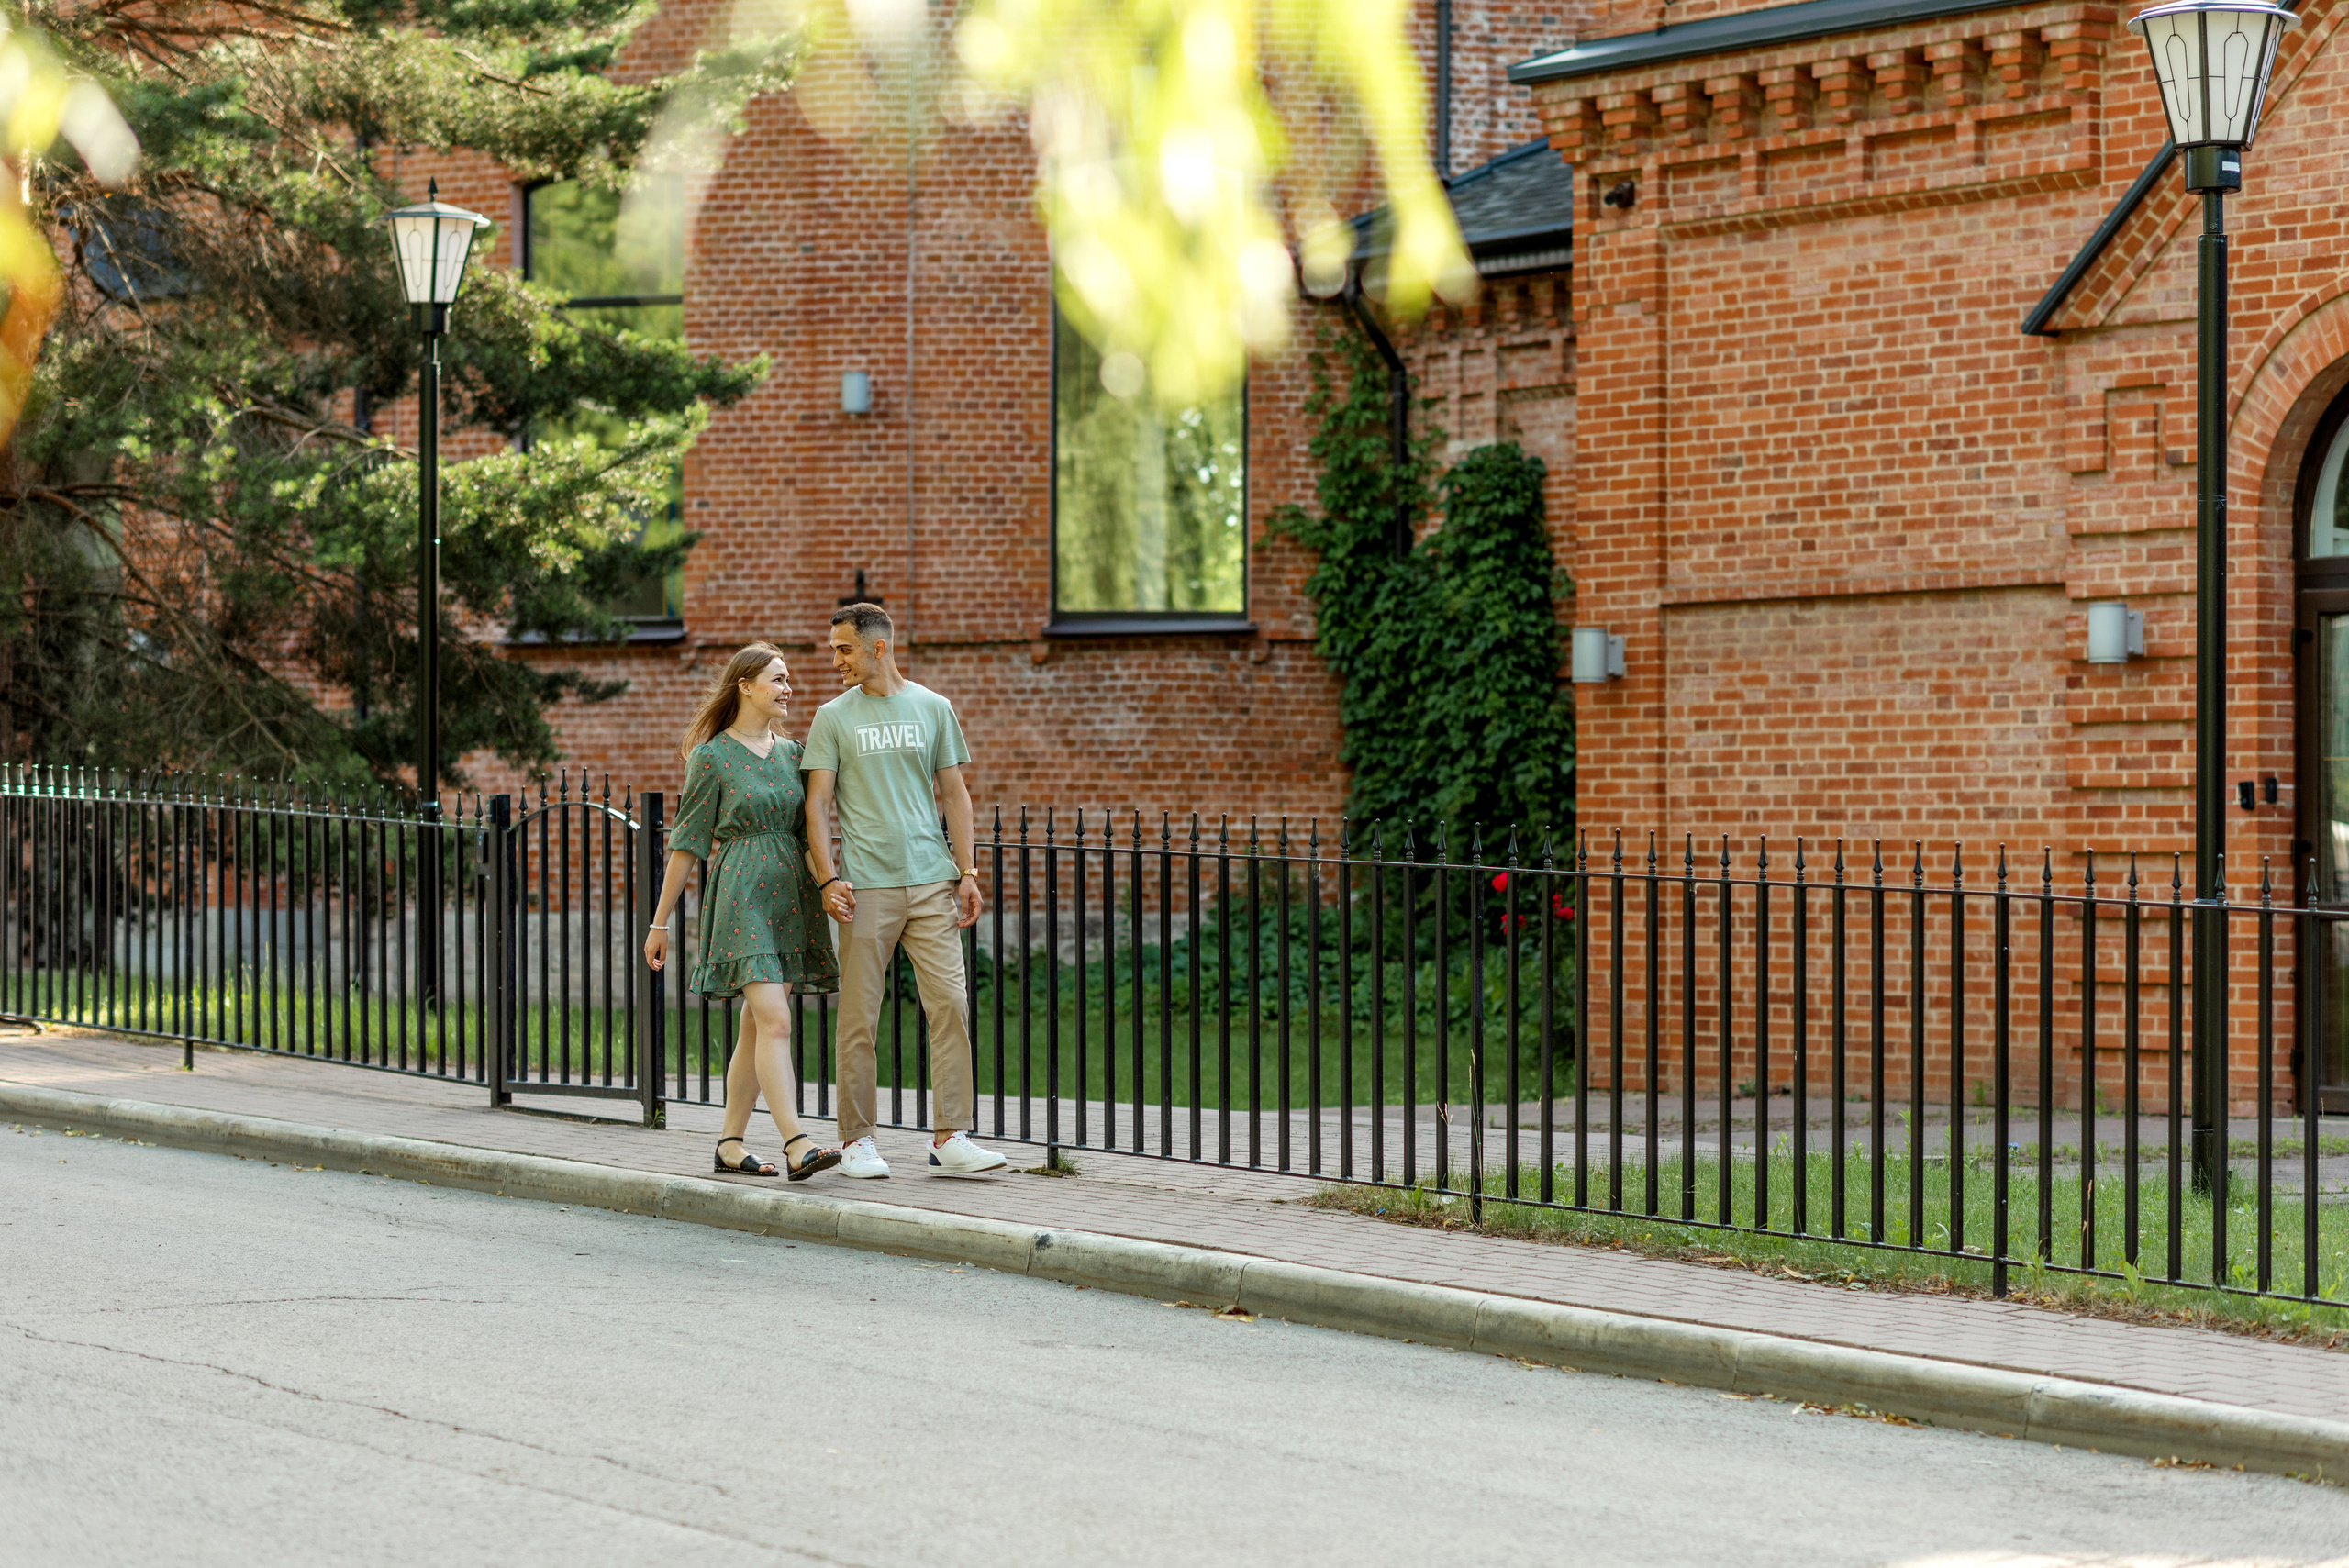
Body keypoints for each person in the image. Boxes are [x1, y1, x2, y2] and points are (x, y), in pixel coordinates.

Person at [803, 602, 1006, 1177]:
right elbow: (817, 803)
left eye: (844, 648)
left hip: (931, 881)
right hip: (865, 887)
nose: (835, 659)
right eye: (834, 649)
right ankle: (857, 1142)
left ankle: (950, 1135)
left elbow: (956, 794)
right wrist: (827, 876)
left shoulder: (933, 708)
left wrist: (966, 872)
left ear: (878, 647)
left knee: (950, 1007)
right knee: (859, 1017)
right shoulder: (832, 717)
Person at [645, 643, 841, 1181]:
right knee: (777, 1020)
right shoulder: (712, 758)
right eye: (778, 679)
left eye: (788, 680)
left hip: (791, 899)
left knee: (756, 1028)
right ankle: (797, 1144)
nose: (788, 689)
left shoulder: (793, 753)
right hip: (740, 901)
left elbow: (809, 834)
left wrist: (828, 884)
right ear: (746, 687)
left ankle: (730, 1143)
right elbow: (686, 845)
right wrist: (660, 922)